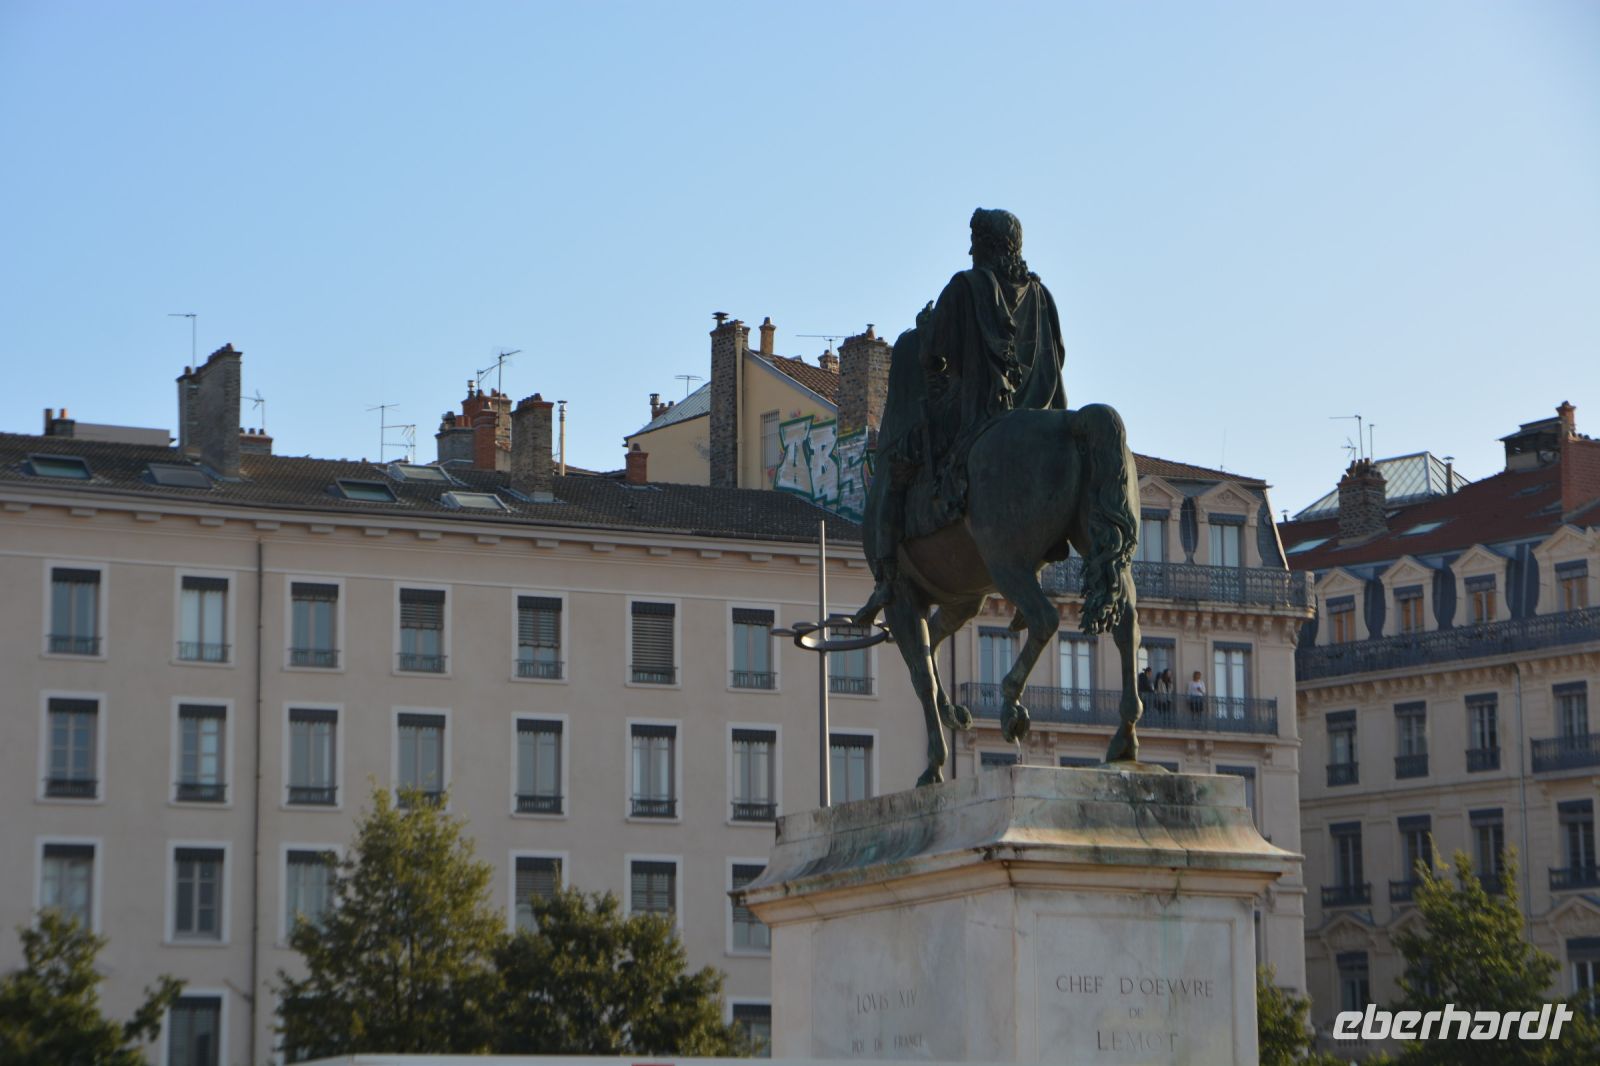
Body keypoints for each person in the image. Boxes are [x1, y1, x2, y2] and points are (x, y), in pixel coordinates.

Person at [855, 208, 1068, 622]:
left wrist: (925, 329)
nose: (970, 250)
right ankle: (1033, 571)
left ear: (986, 245)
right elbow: (1058, 354)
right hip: (1041, 412)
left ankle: (885, 577)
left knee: (896, 467)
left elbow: (933, 355)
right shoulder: (1042, 296)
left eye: (974, 241)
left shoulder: (967, 287)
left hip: (979, 414)